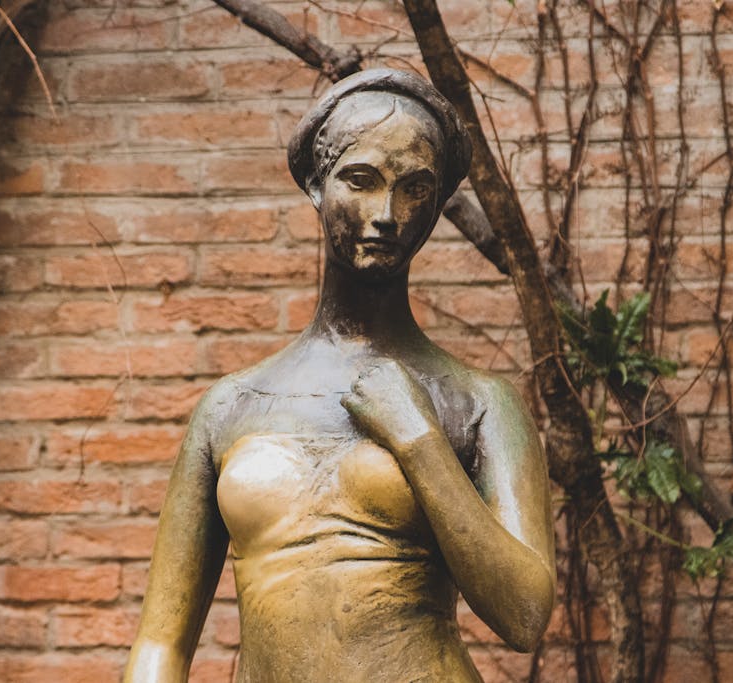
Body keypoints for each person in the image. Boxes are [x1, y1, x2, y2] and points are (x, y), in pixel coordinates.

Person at [123, 68, 556, 683]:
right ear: (315, 185)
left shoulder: (477, 402)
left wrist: (419, 441)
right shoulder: (232, 407)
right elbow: (161, 645)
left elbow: (526, 614)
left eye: (414, 189)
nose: (387, 213)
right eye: (361, 180)